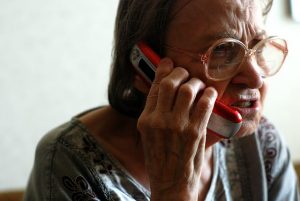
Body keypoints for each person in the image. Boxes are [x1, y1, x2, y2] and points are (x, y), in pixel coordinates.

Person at [24, 0, 300, 200]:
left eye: (257, 46)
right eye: (223, 50)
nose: (255, 78)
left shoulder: (263, 146)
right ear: (147, 69)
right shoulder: (69, 164)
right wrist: (172, 191)